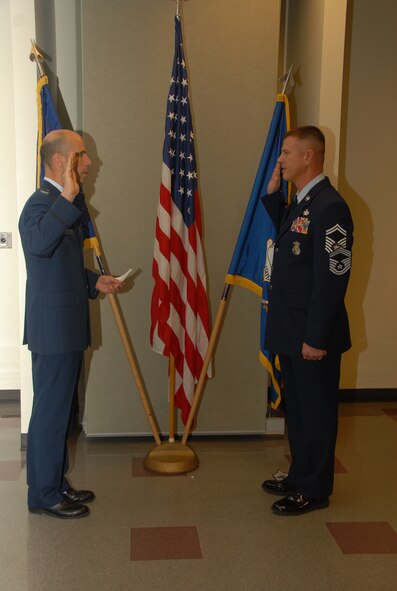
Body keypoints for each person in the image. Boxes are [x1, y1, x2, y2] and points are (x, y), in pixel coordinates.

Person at [19, 130, 123, 519]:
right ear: (61, 162)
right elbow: (40, 245)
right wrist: (66, 196)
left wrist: (93, 280)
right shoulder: (39, 204)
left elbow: (59, 265)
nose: (89, 162)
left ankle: (56, 482)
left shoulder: (60, 203)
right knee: (50, 411)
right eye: (81, 155)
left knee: (62, 410)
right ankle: (43, 494)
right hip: (53, 328)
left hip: (65, 323)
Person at [261, 126, 353, 515]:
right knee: (297, 408)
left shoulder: (331, 207)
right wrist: (272, 195)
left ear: (308, 157)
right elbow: (290, 236)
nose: (280, 159)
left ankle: (315, 489)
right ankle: (300, 473)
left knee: (315, 413)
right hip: (291, 329)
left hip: (313, 334)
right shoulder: (303, 200)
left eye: (286, 152)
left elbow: (333, 279)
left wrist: (316, 337)